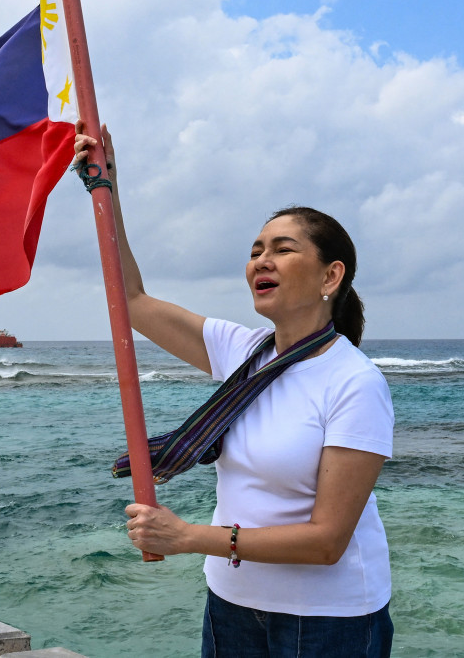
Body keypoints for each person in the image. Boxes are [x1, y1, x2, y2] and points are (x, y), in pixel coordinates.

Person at [73, 123, 395, 658]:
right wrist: (106, 188)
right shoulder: (242, 350)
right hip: (231, 604)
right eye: (255, 250)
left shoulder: (354, 382)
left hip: (327, 622)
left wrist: (188, 537)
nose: (260, 261)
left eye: (282, 249)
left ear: (330, 276)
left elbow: (327, 542)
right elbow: (131, 299)